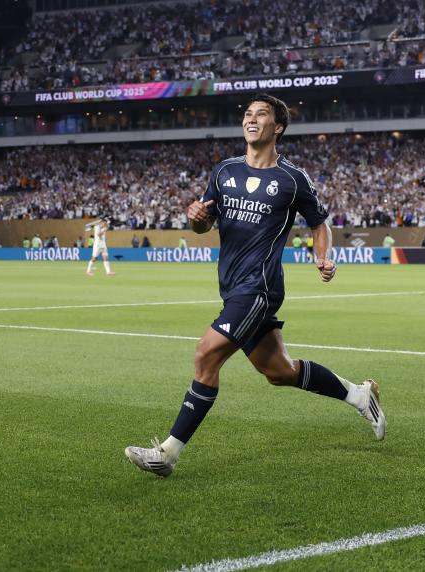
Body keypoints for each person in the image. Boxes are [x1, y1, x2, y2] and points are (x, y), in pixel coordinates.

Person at [125, 94, 385, 478]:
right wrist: (196, 217)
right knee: (279, 371)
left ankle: (167, 454)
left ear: (277, 127)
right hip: (233, 287)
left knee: (205, 356)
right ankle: (358, 394)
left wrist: (323, 257)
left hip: (260, 288)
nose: (251, 118)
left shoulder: (292, 179)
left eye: (261, 114)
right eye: (248, 113)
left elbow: (319, 222)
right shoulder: (223, 171)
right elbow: (203, 224)